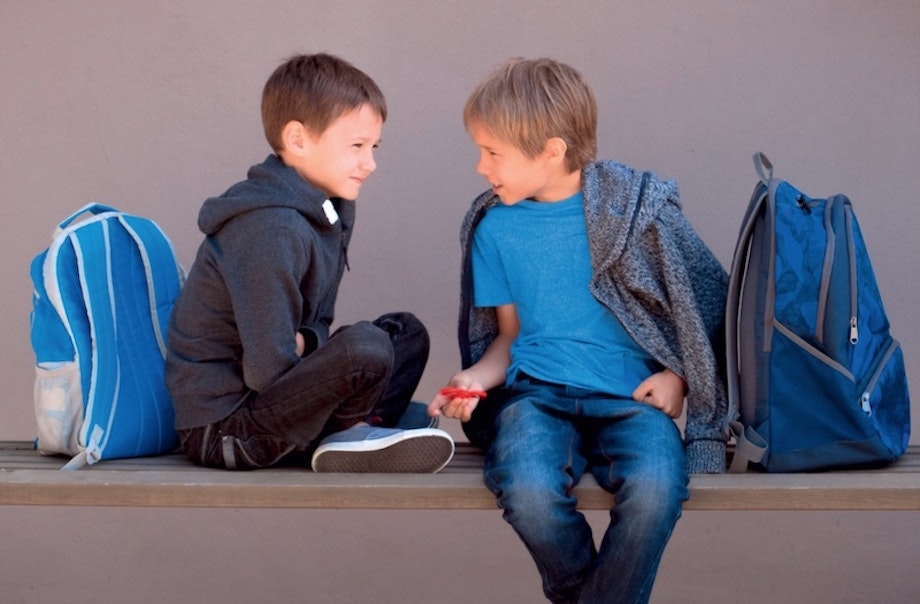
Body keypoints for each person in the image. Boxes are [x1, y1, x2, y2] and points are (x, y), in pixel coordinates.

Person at [428, 58, 729, 603]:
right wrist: (474, 377)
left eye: (493, 152)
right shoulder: (495, 228)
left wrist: (677, 376)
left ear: (551, 149)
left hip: (630, 398)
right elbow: (508, 336)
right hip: (536, 397)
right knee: (526, 489)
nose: (479, 166)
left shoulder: (635, 216)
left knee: (659, 488)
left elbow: (697, 307)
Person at [166, 53, 454, 473]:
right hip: (227, 429)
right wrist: (307, 346)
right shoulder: (271, 230)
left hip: (269, 398)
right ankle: (352, 432)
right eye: (356, 146)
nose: (370, 163)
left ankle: (359, 428)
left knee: (403, 334)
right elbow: (268, 369)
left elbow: (314, 326)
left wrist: (307, 342)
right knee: (366, 347)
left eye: (373, 147)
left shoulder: (328, 212)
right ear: (298, 140)